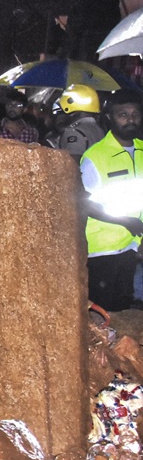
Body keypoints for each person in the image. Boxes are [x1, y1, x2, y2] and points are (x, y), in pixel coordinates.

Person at [80, 89, 143, 312]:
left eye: (135, 114)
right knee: (103, 315)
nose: (130, 120)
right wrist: (124, 221)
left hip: (131, 247)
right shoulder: (95, 157)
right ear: (109, 117)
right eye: (123, 115)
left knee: (124, 311)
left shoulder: (142, 150)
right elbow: (85, 204)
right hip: (102, 252)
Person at [49, 84, 105, 157]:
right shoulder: (100, 130)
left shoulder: (73, 132)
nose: (61, 116)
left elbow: (73, 162)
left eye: (62, 112)